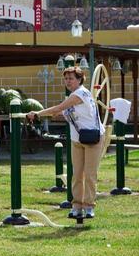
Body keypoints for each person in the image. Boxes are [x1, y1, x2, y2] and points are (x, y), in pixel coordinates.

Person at [27, 63, 104, 218]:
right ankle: (77, 206)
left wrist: (37, 113)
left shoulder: (80, 93)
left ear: (79, 79)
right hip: (77, 139)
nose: (68, 81)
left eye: (71, 78)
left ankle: (89, 207)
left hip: (93, 139)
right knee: (76, 174)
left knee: (90, 174)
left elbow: (58, 108)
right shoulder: (73, 96)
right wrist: (55, 113)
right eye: (66, 79)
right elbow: (62, 112)